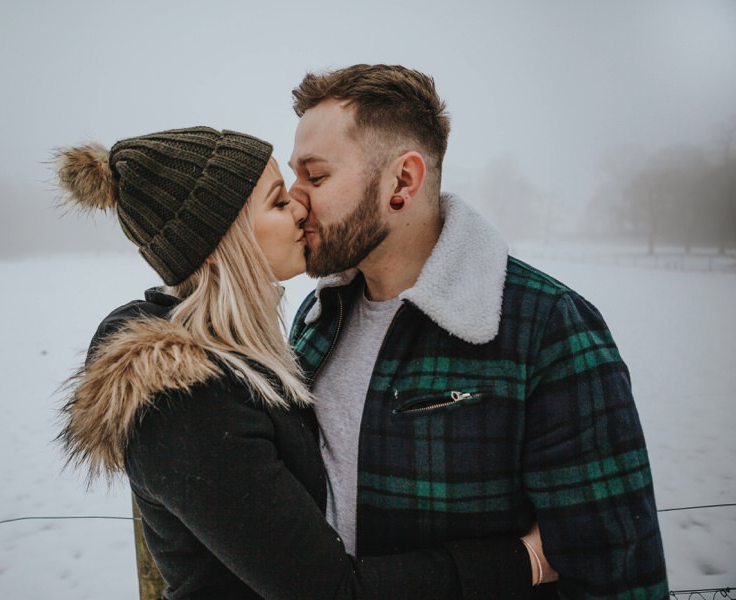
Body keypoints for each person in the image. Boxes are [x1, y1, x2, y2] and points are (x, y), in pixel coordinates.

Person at [54, 126, 552, 599]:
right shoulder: (185, 403)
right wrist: (523, 561)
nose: (299, 208)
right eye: (276, 200)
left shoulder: (239, 354)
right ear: (217, 246)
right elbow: (332, 592)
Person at [286, 64, 669, 599]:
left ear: (401, 182)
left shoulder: (547, 329)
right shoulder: (317, 319)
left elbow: (615, 570)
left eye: (316, 176)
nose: (294, 197)